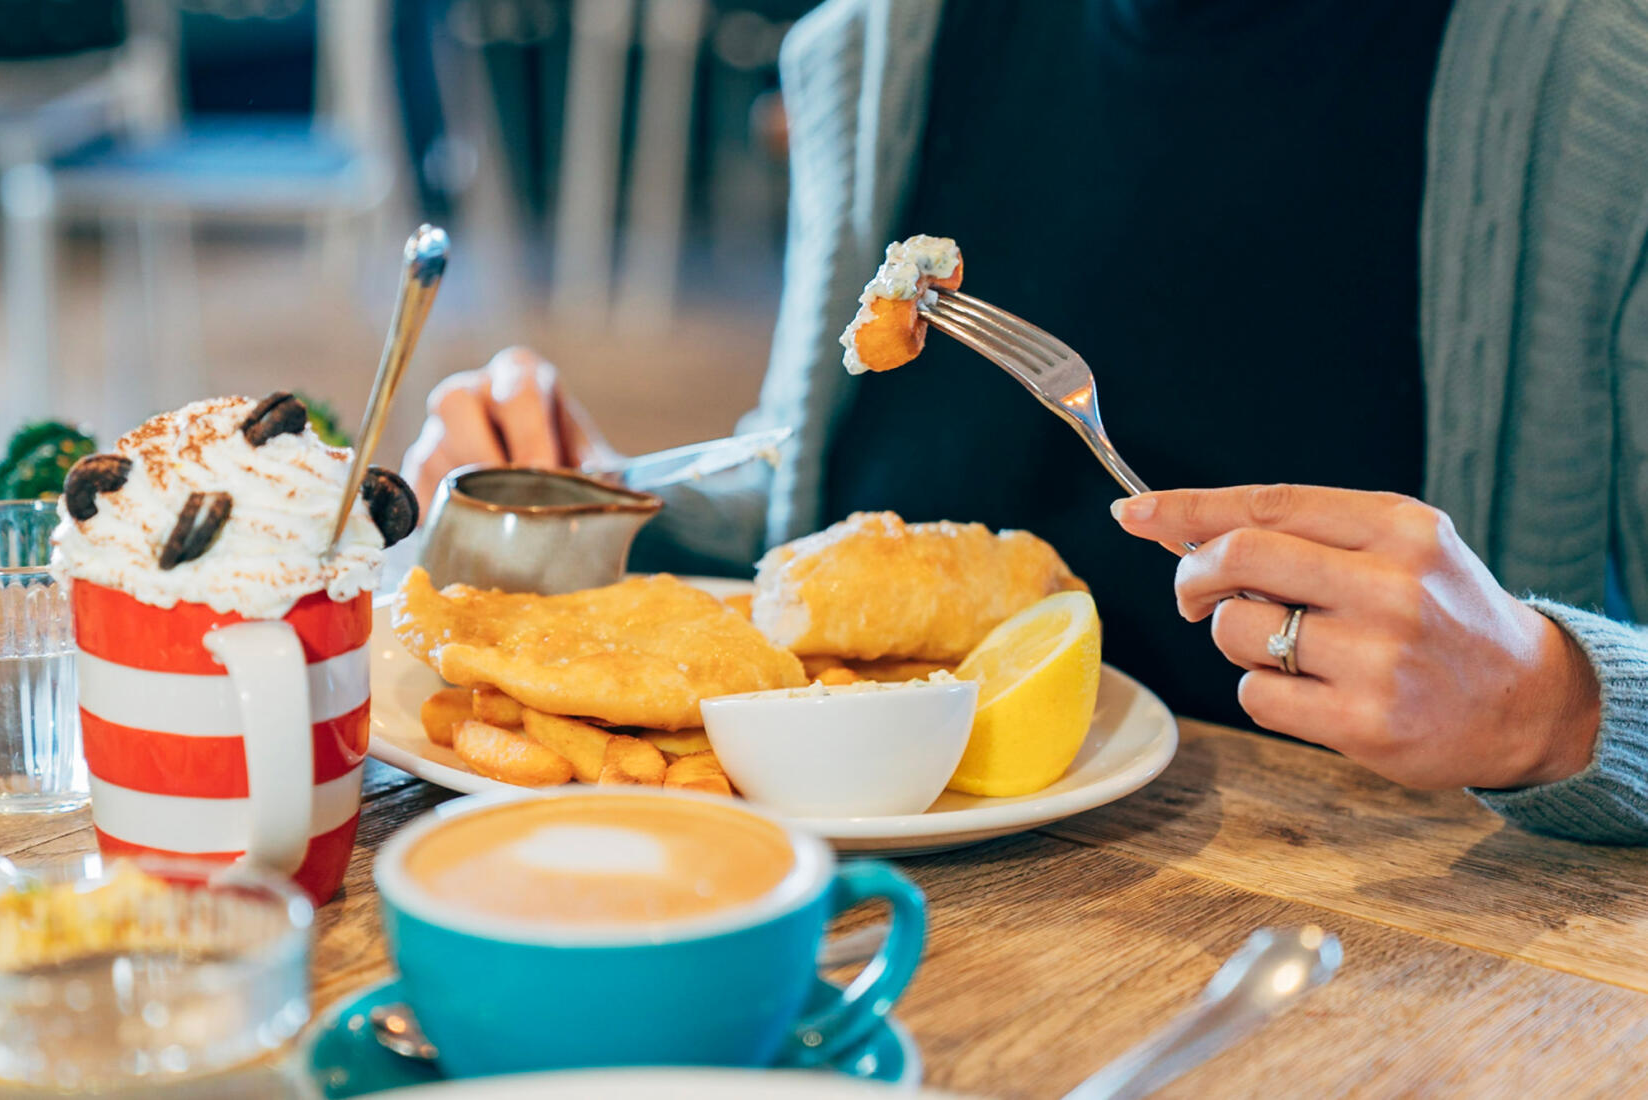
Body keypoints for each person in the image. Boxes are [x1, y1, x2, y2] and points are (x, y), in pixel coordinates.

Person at [402, 0, 1648, 844]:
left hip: (1367, 944)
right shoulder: (882, 42)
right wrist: (605, 502)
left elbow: (1570, 694)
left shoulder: (1602, 81)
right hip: (863, 911)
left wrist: (1558, 703)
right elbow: (821, 523)